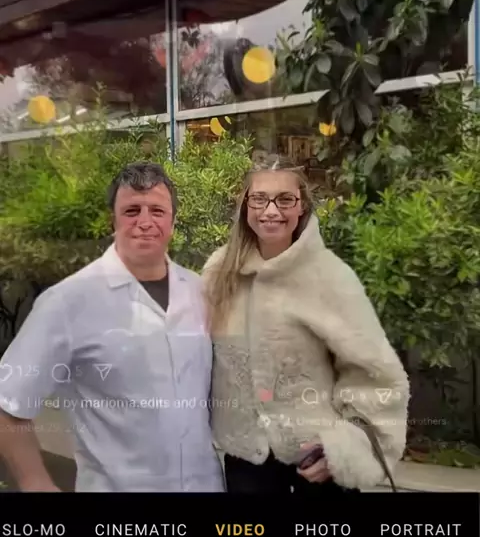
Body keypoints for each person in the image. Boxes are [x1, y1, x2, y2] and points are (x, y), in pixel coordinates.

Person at [0, 162, 224, 493]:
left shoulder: (199, 291)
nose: (145, 222)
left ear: (173, 222)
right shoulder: (67, 302)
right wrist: (36, 483)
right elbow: (8, 403)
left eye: (157, 211)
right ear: (113, 222)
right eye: (132, 211)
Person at [202, 154, 410, 495]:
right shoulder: (219, 273)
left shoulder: (330, 277)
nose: (271, 210)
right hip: (246, 462)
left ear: (302, 207)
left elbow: (374, 371)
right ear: (245, 205)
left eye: (285, 199)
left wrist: (346, 447)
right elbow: (197, 358)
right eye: (260, 198)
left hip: (317, 461)